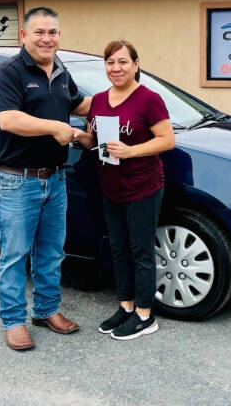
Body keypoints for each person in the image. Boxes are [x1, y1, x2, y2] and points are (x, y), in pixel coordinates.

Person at [0, 6, 91, 351]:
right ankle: (13, 321)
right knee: (14, 253)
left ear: (59, 35)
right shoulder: (8, 73)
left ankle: (46, 310)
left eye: (53, 32)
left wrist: (125, 97)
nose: (47, 39)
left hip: (55, 179)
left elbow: (79, 104)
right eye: (39, 32)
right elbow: (9, 120)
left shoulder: (60, 71)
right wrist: (57, 128)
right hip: (17, 181)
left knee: (51, 252)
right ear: (24, 35)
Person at [74, 39, 175, 340]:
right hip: (111, 186)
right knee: (118, 250)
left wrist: (131, 151)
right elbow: (97, 142)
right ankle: (126, 306)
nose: (116, 68)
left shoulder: (149, 99)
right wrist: (81, 137)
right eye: (110, 62)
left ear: (135, 64)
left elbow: (167, 140)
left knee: (141, 250)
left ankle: (145, 315)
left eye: (122, 62)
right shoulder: (99, 100)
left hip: (143, 185)